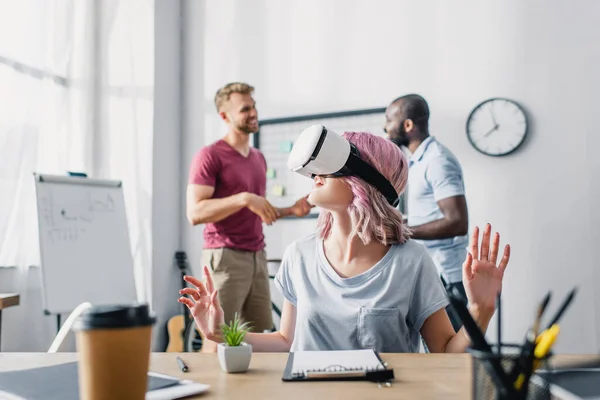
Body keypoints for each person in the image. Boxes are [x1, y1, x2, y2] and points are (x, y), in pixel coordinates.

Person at [179, 130, 510, 354]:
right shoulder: (299, 255)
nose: (315, 174)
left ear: (364, 182)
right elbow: (285, 341)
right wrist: (221, 334)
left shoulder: (411, 261)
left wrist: (480, 310)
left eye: (328, 167)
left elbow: (444, 352)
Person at [186, 82, 312, 350]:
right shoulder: (210, 156)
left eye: (253, 106)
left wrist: (292, 210)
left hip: (257, 256)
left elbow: (259, 210)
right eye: (245, 109)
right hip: (225, 257)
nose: (253, 112)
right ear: (224, 116)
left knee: (256, 339)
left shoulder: (258, 159)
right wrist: (244, 198)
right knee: (216, 335)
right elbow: (195, 212)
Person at [384, 94, 470, 332]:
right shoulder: (418, 161)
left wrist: (401, 230)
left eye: (389, 119)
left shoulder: (438, 161)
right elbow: (431, 214)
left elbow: (457, 222)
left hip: (449, 278)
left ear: (408, 125)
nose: (386, 127)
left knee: (454, 355)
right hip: (433, 274)